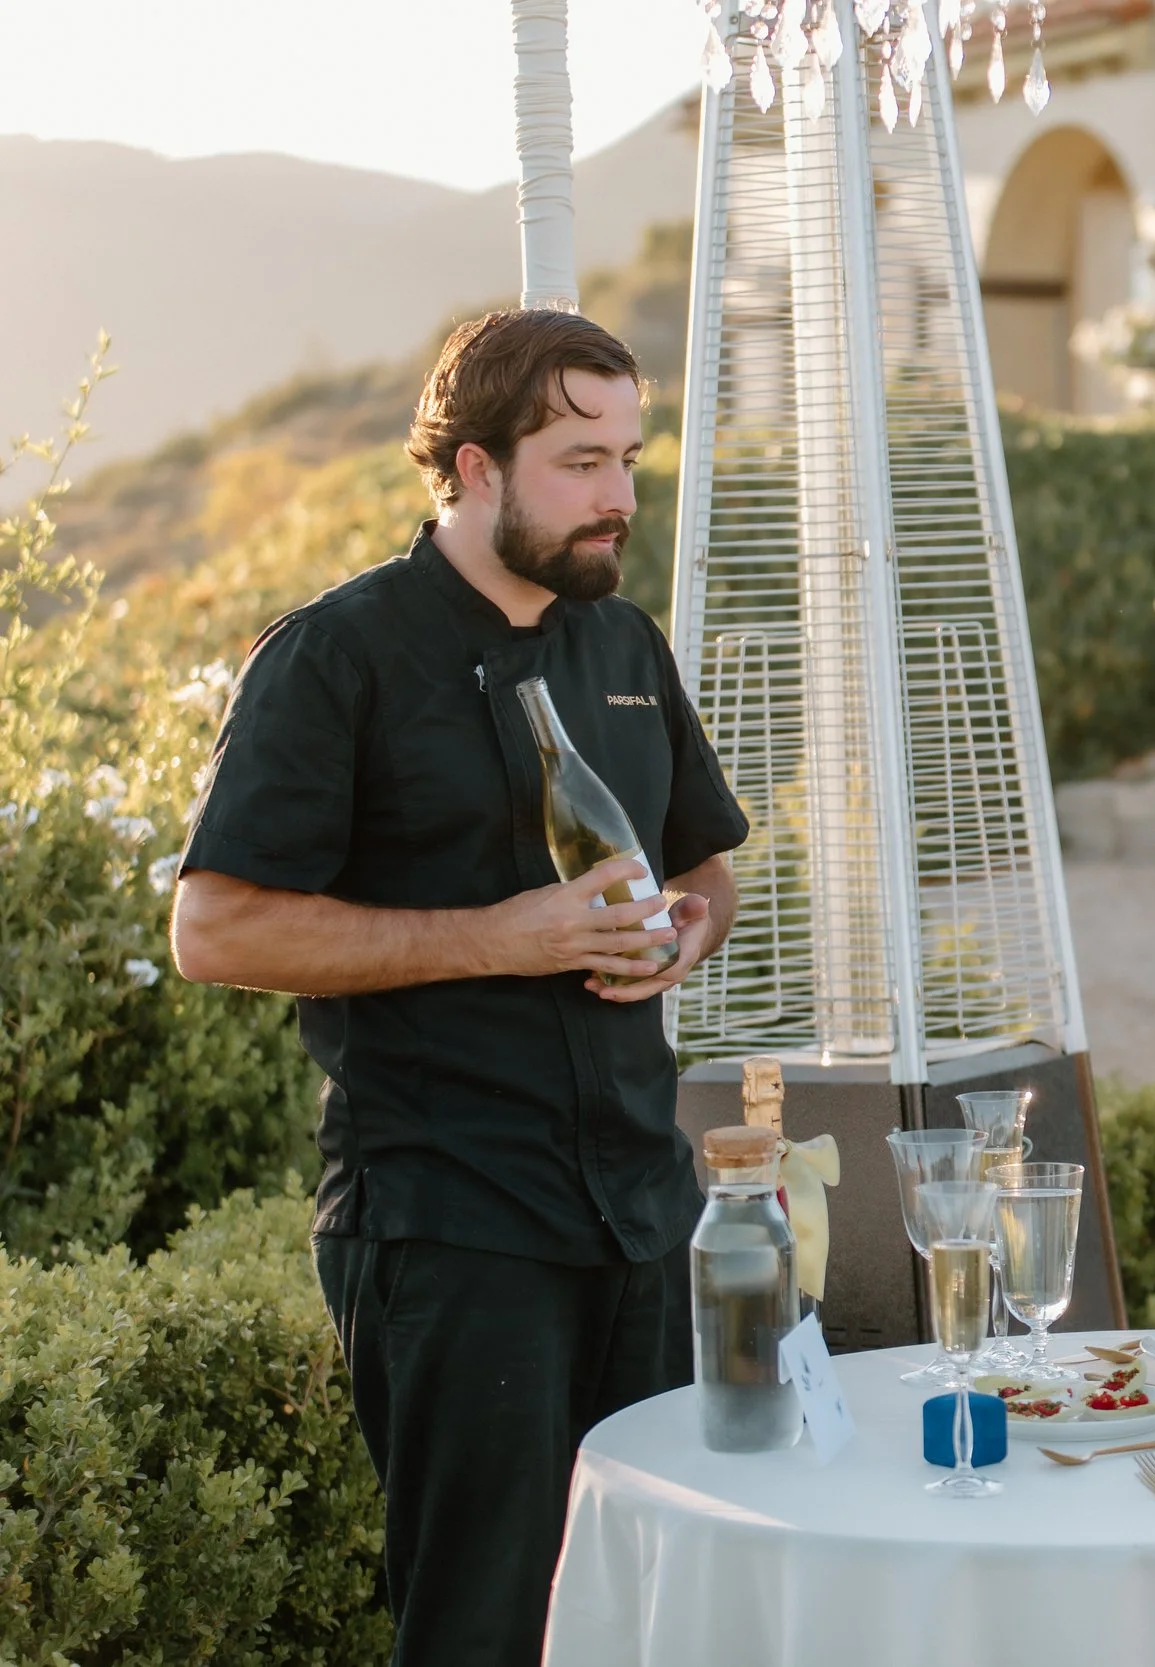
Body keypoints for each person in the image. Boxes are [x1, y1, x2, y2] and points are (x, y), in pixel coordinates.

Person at [169, 310, 750, 1667]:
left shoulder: (624, 647)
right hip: (448, 1220)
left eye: (628, 457)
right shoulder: (334, 655)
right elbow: (213, 926)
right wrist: (500, 936)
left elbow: (711, 866)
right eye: (578, 460)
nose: (617, 495)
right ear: (472, 466)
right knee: (484, 1632)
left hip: (642, 1217)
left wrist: (681, 933)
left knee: (653, 1618)